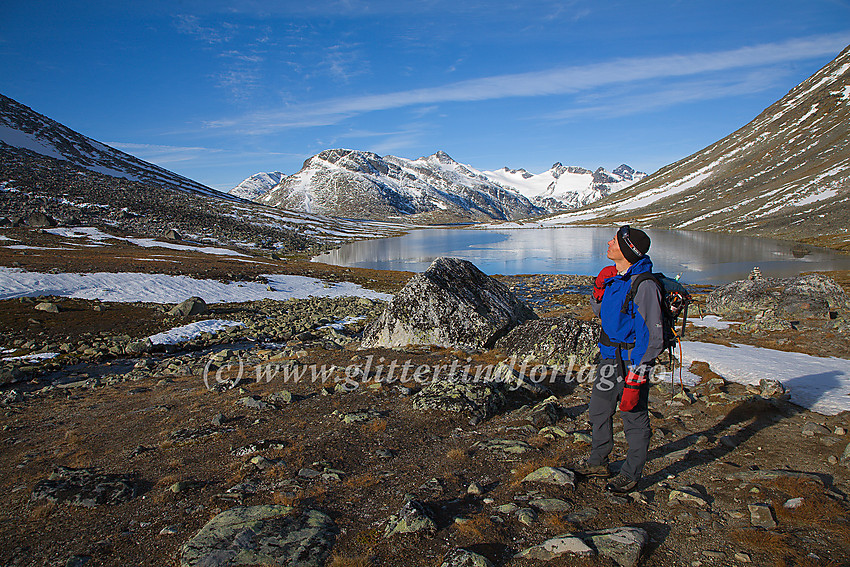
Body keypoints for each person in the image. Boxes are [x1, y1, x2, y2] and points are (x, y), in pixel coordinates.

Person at [571, 225, 664, 493]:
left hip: (632, 361)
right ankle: (598, 462)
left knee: (633, 414)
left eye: (615, 240)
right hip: (610, 357)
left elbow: (652, 334)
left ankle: (631, 472)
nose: (608, 242)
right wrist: (598, 288)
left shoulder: (644, 284)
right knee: (599, 410)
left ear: (627, 250)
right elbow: (602, 312)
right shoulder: (616, 278)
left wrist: (639, 371)